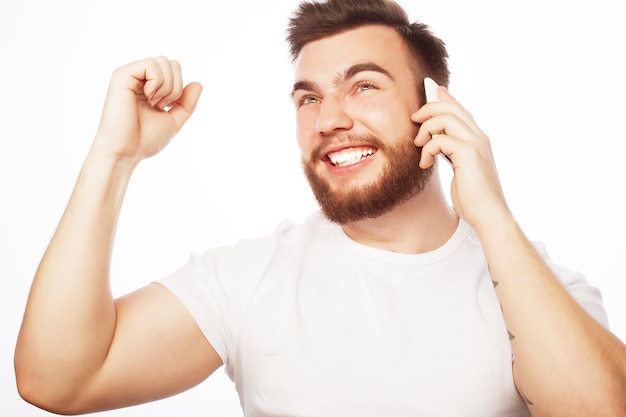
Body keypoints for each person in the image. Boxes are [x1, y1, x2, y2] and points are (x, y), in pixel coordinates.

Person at [14, 0, 626, 416]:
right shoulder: (249, 279)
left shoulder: (539, 290)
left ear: (436, 107)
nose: (329, 120)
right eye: (309, 98)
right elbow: (59, 380)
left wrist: (492, 215)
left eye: (363, 85)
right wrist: (114, 157)